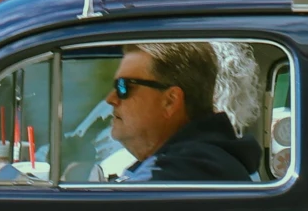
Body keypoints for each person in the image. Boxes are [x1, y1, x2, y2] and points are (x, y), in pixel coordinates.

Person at [109, 41, 261, 182]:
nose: (111, 98)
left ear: (170, 101)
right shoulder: (195, 161)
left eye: (124, 86)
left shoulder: (182, 169)